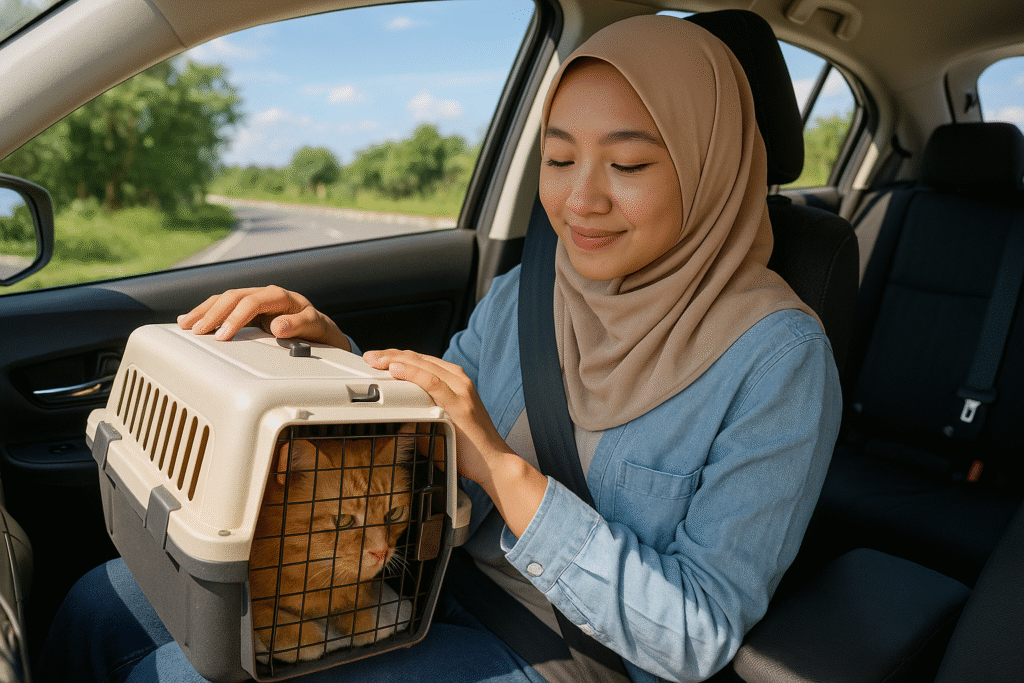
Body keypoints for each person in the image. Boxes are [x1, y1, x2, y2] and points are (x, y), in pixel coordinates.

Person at [38, 15, 841, 683]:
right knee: (95, 606)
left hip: (571, 649)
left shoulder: (779, 361)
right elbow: (435, 422)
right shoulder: (536, 285)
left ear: (710, 169)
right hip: (421, 574)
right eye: (559, 160)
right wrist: (335, 360)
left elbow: (695, 633)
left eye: (627, 163)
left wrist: (502, 469)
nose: (579, 199)